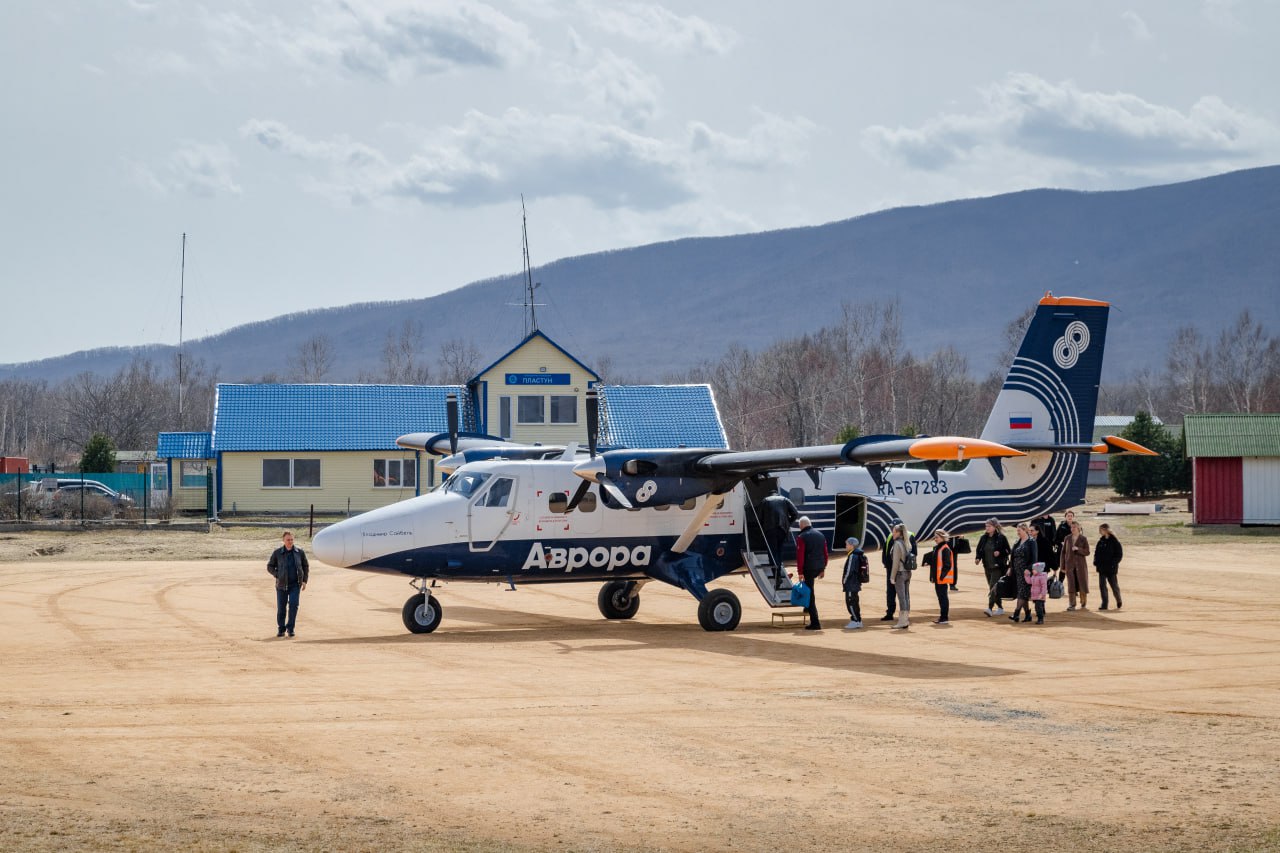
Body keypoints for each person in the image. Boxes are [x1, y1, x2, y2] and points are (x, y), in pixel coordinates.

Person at [267, 531, 310, 637]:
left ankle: (290, 629)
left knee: (294, 605)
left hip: (295, 585)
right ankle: (281, 629)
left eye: (291, 539)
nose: (290, 542)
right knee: (281, 608)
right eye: (288, 540)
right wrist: (278, 575)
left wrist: (304, 581)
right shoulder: (277, 553)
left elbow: (305, 566)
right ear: (283, 540)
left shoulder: (299, 552)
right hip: (281, 585)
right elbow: (270, 566)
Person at [759, 489, 799, 588]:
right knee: (779, 552)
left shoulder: (765, 501)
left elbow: (759, 517)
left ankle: (777, 578)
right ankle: (779, 574)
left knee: (772, 553)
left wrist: (764, 526)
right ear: (777, 493)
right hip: (782, 530)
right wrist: (787, 523)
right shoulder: (785, 499)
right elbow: (795, 513)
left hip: (770, 530)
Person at [794, 516, 827, 631]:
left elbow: (800, 556)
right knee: (810, 591)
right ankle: (807, 608)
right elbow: (825, 553)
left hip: (808, 568)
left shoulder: (801, 537)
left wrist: (800, 572)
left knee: (810, 594)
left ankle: (815, 622)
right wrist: (823, 569)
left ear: (802, 525)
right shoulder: (820, 535)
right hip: (818, 567)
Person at [880, 520, 917, 622]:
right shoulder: (890, 536)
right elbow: (885, 551)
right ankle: (890, 613)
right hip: (891, 568)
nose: (892, 529)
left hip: (900, 570)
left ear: (899, 530)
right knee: (891, 592)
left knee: (903, 594)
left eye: (893, 528)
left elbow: (913, 553)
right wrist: (885, 563)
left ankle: (904, 617)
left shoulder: (908, 536)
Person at [976, 518, 1011, 617]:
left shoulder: (1001, 538)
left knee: (992, 587)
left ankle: (990, 608)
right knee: (994, 588)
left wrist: (1000, 552)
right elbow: (979, 550)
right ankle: (1000, 608)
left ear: (995, 527)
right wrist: (978, 558)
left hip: (998, 567)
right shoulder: (983, 538)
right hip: (987, 567)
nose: (987, 528)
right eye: (986, 526)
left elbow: (1008, 550)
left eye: (989, 526)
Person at [1062, 518, 1091, 610]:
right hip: (1069, 566)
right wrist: (1062, 565)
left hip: (1081, 566)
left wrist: (1078, 549)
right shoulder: (1067, 538)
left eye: (1074, 527)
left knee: (1082, 583)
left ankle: (1083, 602)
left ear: (1079, 528)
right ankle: (1072, 604)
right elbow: (1063, 553)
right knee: (1071, 585)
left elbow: (1087, 552)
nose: (1072, 528)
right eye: (1071, 527)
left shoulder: (1083, 539)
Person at [1094, 523, 1124, 610]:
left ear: (1105, 530)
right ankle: (1104, 604)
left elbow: (1119, 554)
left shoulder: (1115, 541)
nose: (1099, 532)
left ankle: (1118, 600)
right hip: (1101, 568)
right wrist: (1095, 562)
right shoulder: (1100, 541)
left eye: (1101, 530)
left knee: (1114, 586)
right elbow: (1096, 553)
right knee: (1102, 586)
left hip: (1111, 568)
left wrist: (1113, 563)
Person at [1008, 522, 1035, 623]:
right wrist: (1010, 567)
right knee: (1023, 593)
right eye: (1017, 531)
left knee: (1021, 593)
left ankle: (1016, 614)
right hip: (1017, 571)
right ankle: (1028, 615)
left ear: (1025, 530)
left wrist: (1029, 568)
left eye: (1019, 531)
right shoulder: (1017, 541)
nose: (1017, 533)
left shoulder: (1031, 542)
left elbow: (1034, 557)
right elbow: (1013, 556)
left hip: (1026, 572)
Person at [840, 537, 867, 629]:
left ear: (851, 545)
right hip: (855, 583)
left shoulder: (852, 556)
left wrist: (844, 580)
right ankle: (856, 620)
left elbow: (849, 570)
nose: (846, 546)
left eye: (847, 544)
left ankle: (856, 620)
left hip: (851, 583)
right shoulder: (857, 554)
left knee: (851, 602)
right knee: (854, 602)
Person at [889, 523, 913, 630]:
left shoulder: (897, 544)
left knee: (902, 597)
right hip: (908, 572)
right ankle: (905, 620)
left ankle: (902, 621)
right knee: (906, 596)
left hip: (900, 573)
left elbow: (895, 563)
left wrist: (892, 577)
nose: (892, 533)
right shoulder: (907, 542)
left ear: (898, 533)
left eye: (894, 531)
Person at [930, 529, 955, 624]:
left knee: (943, 597)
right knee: (941, 597)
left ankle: (944, 617)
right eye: (935, 537)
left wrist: (941, 576)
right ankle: (943, 617)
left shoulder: (945, 549)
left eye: (937, 537)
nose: (935, 539)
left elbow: (947, 565)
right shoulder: (938, 548)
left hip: (942, 579)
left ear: (942, 537)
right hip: (938, 578)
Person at [1055, 511, 1077, 579]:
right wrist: (1061, 543)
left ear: (1073, 517)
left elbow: (1080, 539)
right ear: (1065, 517)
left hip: (1073, 552)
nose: (1070, 517)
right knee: (1063, 568)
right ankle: (1060, 584)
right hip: (1063, 551)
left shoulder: (1076, 526)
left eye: (1071, 516)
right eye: (1068, 516)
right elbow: (1055, 539)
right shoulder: (1061, 526)